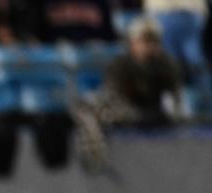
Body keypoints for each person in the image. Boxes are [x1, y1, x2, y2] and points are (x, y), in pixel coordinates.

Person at [72, 17, 183, 171]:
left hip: (150, 113)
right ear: (133, 42)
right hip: (123, 109)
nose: (149, 46)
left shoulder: (165, 64)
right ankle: (94, 150)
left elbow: (175, 99)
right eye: (145, 41)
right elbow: (111, 94)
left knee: (93, 110)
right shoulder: (122, 63)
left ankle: (95, 150)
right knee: (84, 108)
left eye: (154, 41)